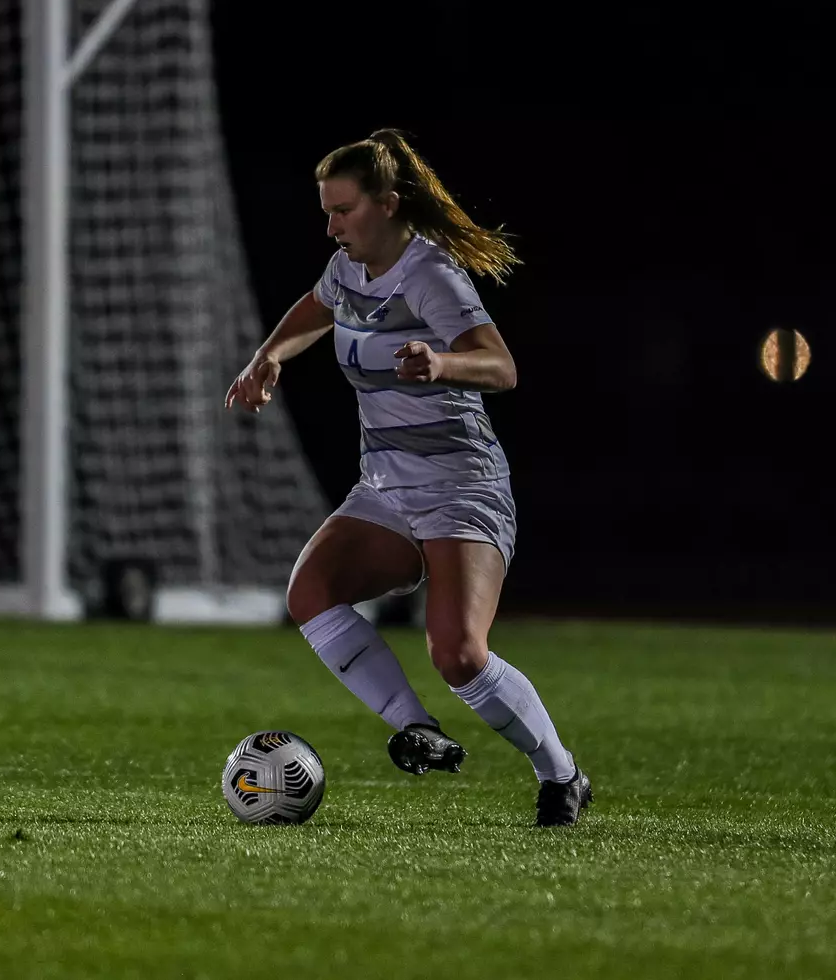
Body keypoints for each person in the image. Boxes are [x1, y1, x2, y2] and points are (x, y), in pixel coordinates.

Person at [224, 128, 592, 827]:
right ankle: (416, 728)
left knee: (459, 655)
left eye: (344, 211)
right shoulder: (346, 268)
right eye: (327, 213)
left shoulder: (430, 275)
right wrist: (268, 356)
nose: (332, 227)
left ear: (388, 204)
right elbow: (317, 306)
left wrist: (442, 363)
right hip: (386, 488)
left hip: (461, 485)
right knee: (311, 592)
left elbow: (502, 367)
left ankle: (561, 774)